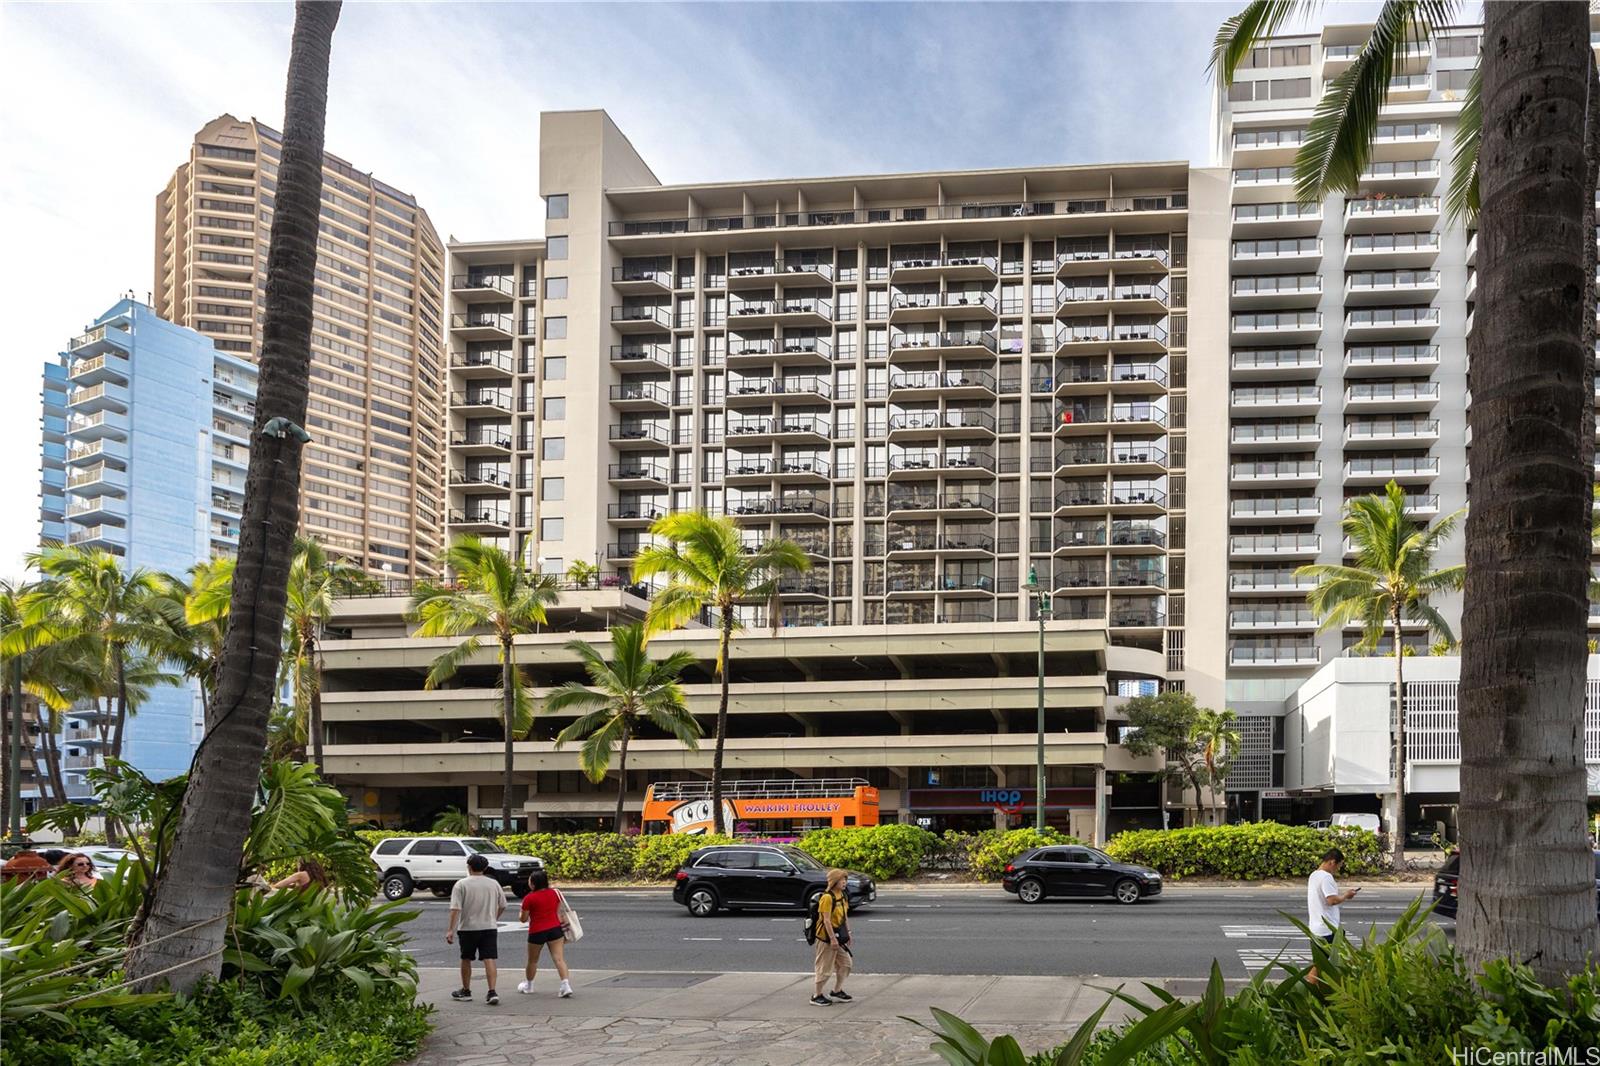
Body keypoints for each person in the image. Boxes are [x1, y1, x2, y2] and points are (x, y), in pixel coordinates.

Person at [445, 853, 506, 1005]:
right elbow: (503, 904)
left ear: (469, 867)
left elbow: (455, 909)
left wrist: (450, 929)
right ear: (485, 868)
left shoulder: (461, 884)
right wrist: (494, 917)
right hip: (489, 927)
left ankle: (466, 990)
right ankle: (492, 991)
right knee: (489, 958)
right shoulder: (494, 884)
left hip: (468, 928)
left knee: (466, 958)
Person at [1306, 847, 1360, 985]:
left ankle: (1316, 989)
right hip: (1328, 930)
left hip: (1316, 927)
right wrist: (1346, 896)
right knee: (1325, 964)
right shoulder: (1326, 877)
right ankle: (1310, 989)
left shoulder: (1314, 875)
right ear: (1332, 862)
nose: (1337, 869)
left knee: (1321, 963)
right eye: (1339, 865)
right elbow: (1331, 900)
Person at [516, 868, 572, 998]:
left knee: (532, 961)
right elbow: (558, 911)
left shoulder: (529, 898)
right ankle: (565, 985)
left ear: (533, 883)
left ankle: (529, 986)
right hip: (555, 929)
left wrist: (521, 912)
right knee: (559, 959)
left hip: (537, 931)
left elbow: (523, 919)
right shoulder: (555, 893)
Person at [810, 868, 853, 1007]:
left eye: (845, 880)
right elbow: (826, 920)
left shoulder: (842, 895)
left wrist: (848, 933)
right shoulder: (827, 898)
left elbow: (844, 917)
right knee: (824, 967)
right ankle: (817, 995)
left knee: (846, 964)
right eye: (842, 880)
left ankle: (837, 991)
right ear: (834, 881)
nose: (844, 882)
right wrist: (833, 939)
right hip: (826, 938)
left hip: (839, 937)